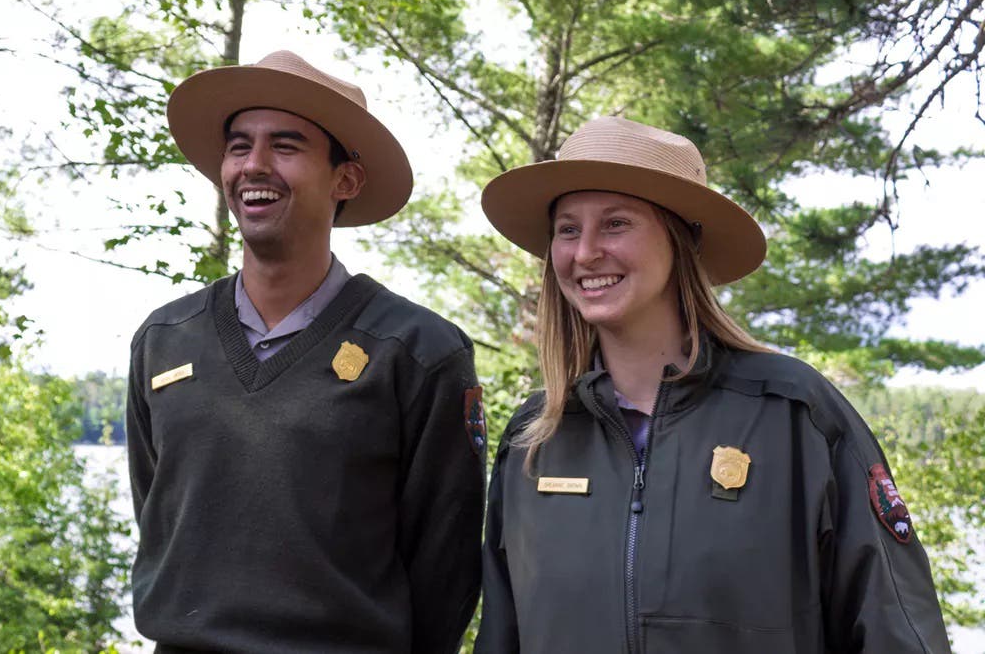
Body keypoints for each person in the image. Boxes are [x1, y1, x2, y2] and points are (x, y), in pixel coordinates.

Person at [473, 117, 951, 653]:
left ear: (684, 240)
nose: (584, 253)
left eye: (615, 224)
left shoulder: (794, 414)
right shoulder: (535, 440)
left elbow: (897, 632)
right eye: (567, 229)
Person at [124, 51, 485, 653]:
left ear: (346, 179)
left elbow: (444, 570)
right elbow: (159, 519)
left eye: (286, 147)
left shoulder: (419, 352)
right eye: (239, 147)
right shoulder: (164, 339)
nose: (254, 165)